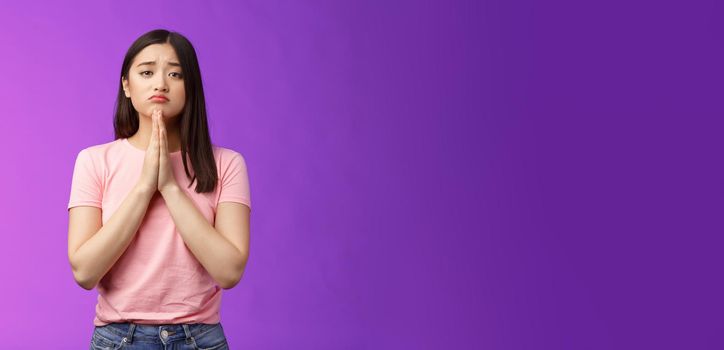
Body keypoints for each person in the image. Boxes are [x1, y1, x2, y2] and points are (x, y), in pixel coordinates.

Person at [67, 29, 251, 350]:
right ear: (127, 84)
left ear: (190, 86)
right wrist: (143, 188)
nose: (161, 83)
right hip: (118, 339)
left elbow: (229, 271)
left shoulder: (227, 163)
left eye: (175, 73)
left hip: (200, 339)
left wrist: (169, 186)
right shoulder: (94, 161)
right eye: (147, 72)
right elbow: (84, 272)